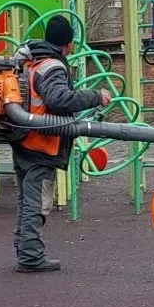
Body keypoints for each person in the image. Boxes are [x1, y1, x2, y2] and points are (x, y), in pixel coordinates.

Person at [11, 15, 111, 273]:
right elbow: (59, 99)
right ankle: (30, 256)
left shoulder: (32, 60)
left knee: (26, 200)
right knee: (37, 202)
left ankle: (24, 249)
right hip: (42, 143)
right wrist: (96, 96)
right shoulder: (53, 66)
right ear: (68, 43)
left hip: (24, 138)